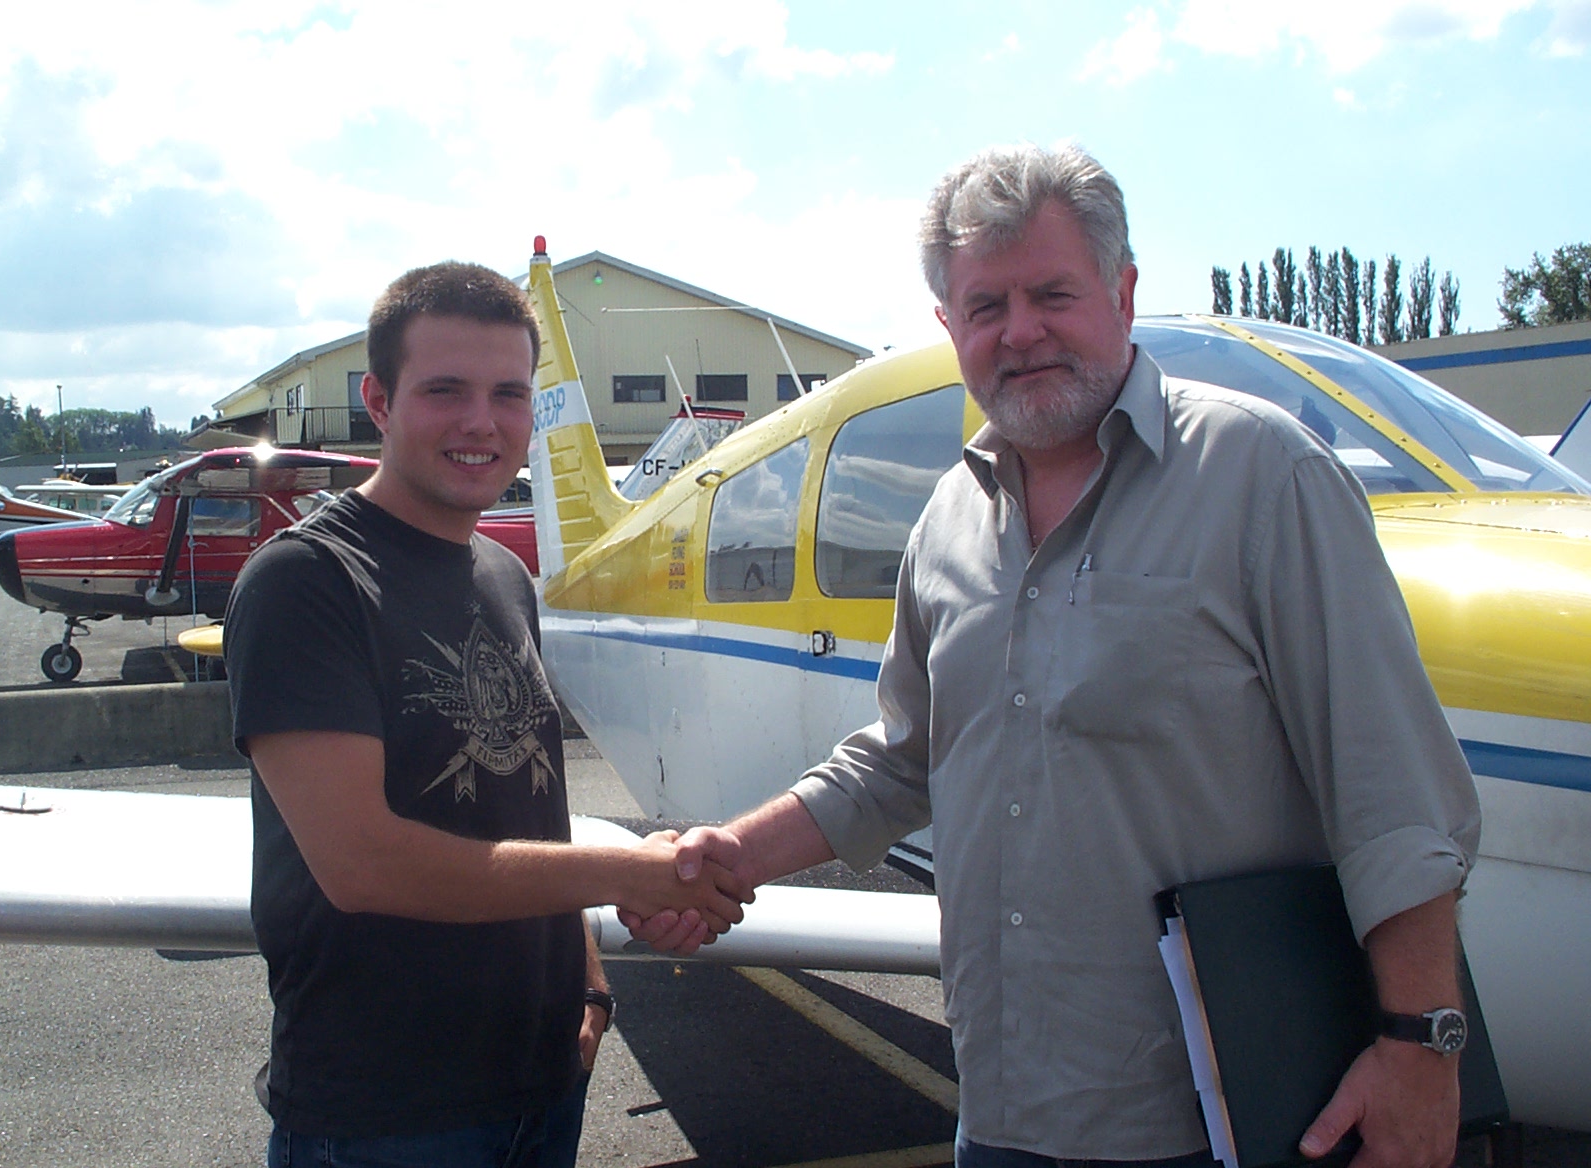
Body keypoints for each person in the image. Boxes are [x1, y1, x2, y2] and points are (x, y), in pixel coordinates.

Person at [626, 143, 1480, 1168]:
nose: (1020, 332)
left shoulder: (1263, 475)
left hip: (1225, 1124)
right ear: (949, 329)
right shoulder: (946, 517)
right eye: (985, 306)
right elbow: (900, 759)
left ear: (1121, 293)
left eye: (1052, 294)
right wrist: (718, 860)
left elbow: (1394, 796)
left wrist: (1419, 1046)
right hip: (1000, 1111)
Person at [225, 261, 750, 1168]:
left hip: (543, 1088)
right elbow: (363, 864)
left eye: (510, 393)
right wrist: (635, 869)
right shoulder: (305, 581)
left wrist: (591, 995)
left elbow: (528, 815)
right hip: (388, 1117)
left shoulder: (504, 577)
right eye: (446, 391)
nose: (483, 422)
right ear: (379, 402)